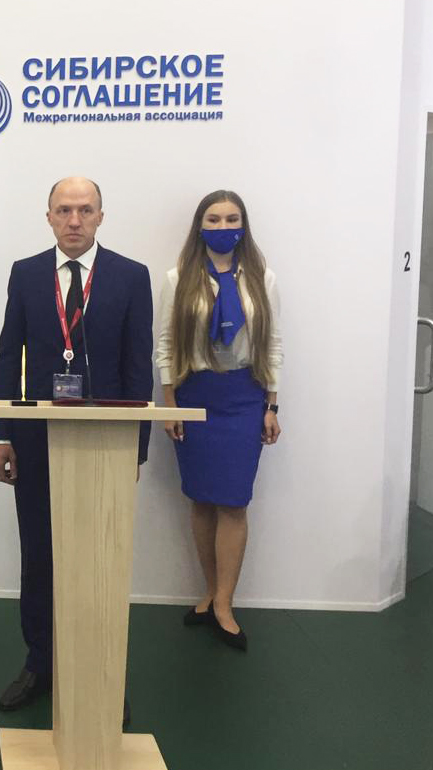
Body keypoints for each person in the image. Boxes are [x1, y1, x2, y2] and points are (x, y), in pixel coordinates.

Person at [0, 177, 153, 718]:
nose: (75, 220)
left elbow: (138, 367)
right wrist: (2, 432)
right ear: (49, 217)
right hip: (37, 440)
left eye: (85, 210)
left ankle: (100, 669)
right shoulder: (26, 273)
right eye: (64, 210)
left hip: (107, 442)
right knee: (39, 554)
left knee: (100, 557)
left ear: (101, 216)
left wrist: (137, 448)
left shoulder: (131, 276)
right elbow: (7, 354)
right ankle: (40, 661)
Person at [156, 189, 282, 652]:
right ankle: (209, 594)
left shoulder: (262, 279)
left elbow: (274, 343)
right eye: (213, 219)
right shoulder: (178, 278)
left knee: (233, 502)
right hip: (195, 395)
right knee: (202, 499)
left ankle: (225, 604)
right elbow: (165, 343)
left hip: (244, 398)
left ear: (243, 225)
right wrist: (170, 402)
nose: (223, 226)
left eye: (231, 219)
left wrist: (272, 405)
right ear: (200, 226)